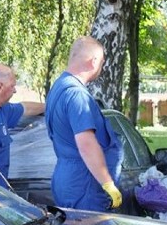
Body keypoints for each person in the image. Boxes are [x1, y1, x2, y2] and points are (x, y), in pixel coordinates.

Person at [45, 36, 123, 211]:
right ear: (93, 61)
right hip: (85, 184)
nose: (101, 69)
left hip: (69, 178)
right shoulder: (77, 95)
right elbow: (87, 145)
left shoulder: (59, 87)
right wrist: (107, 183)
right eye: (102, 63)